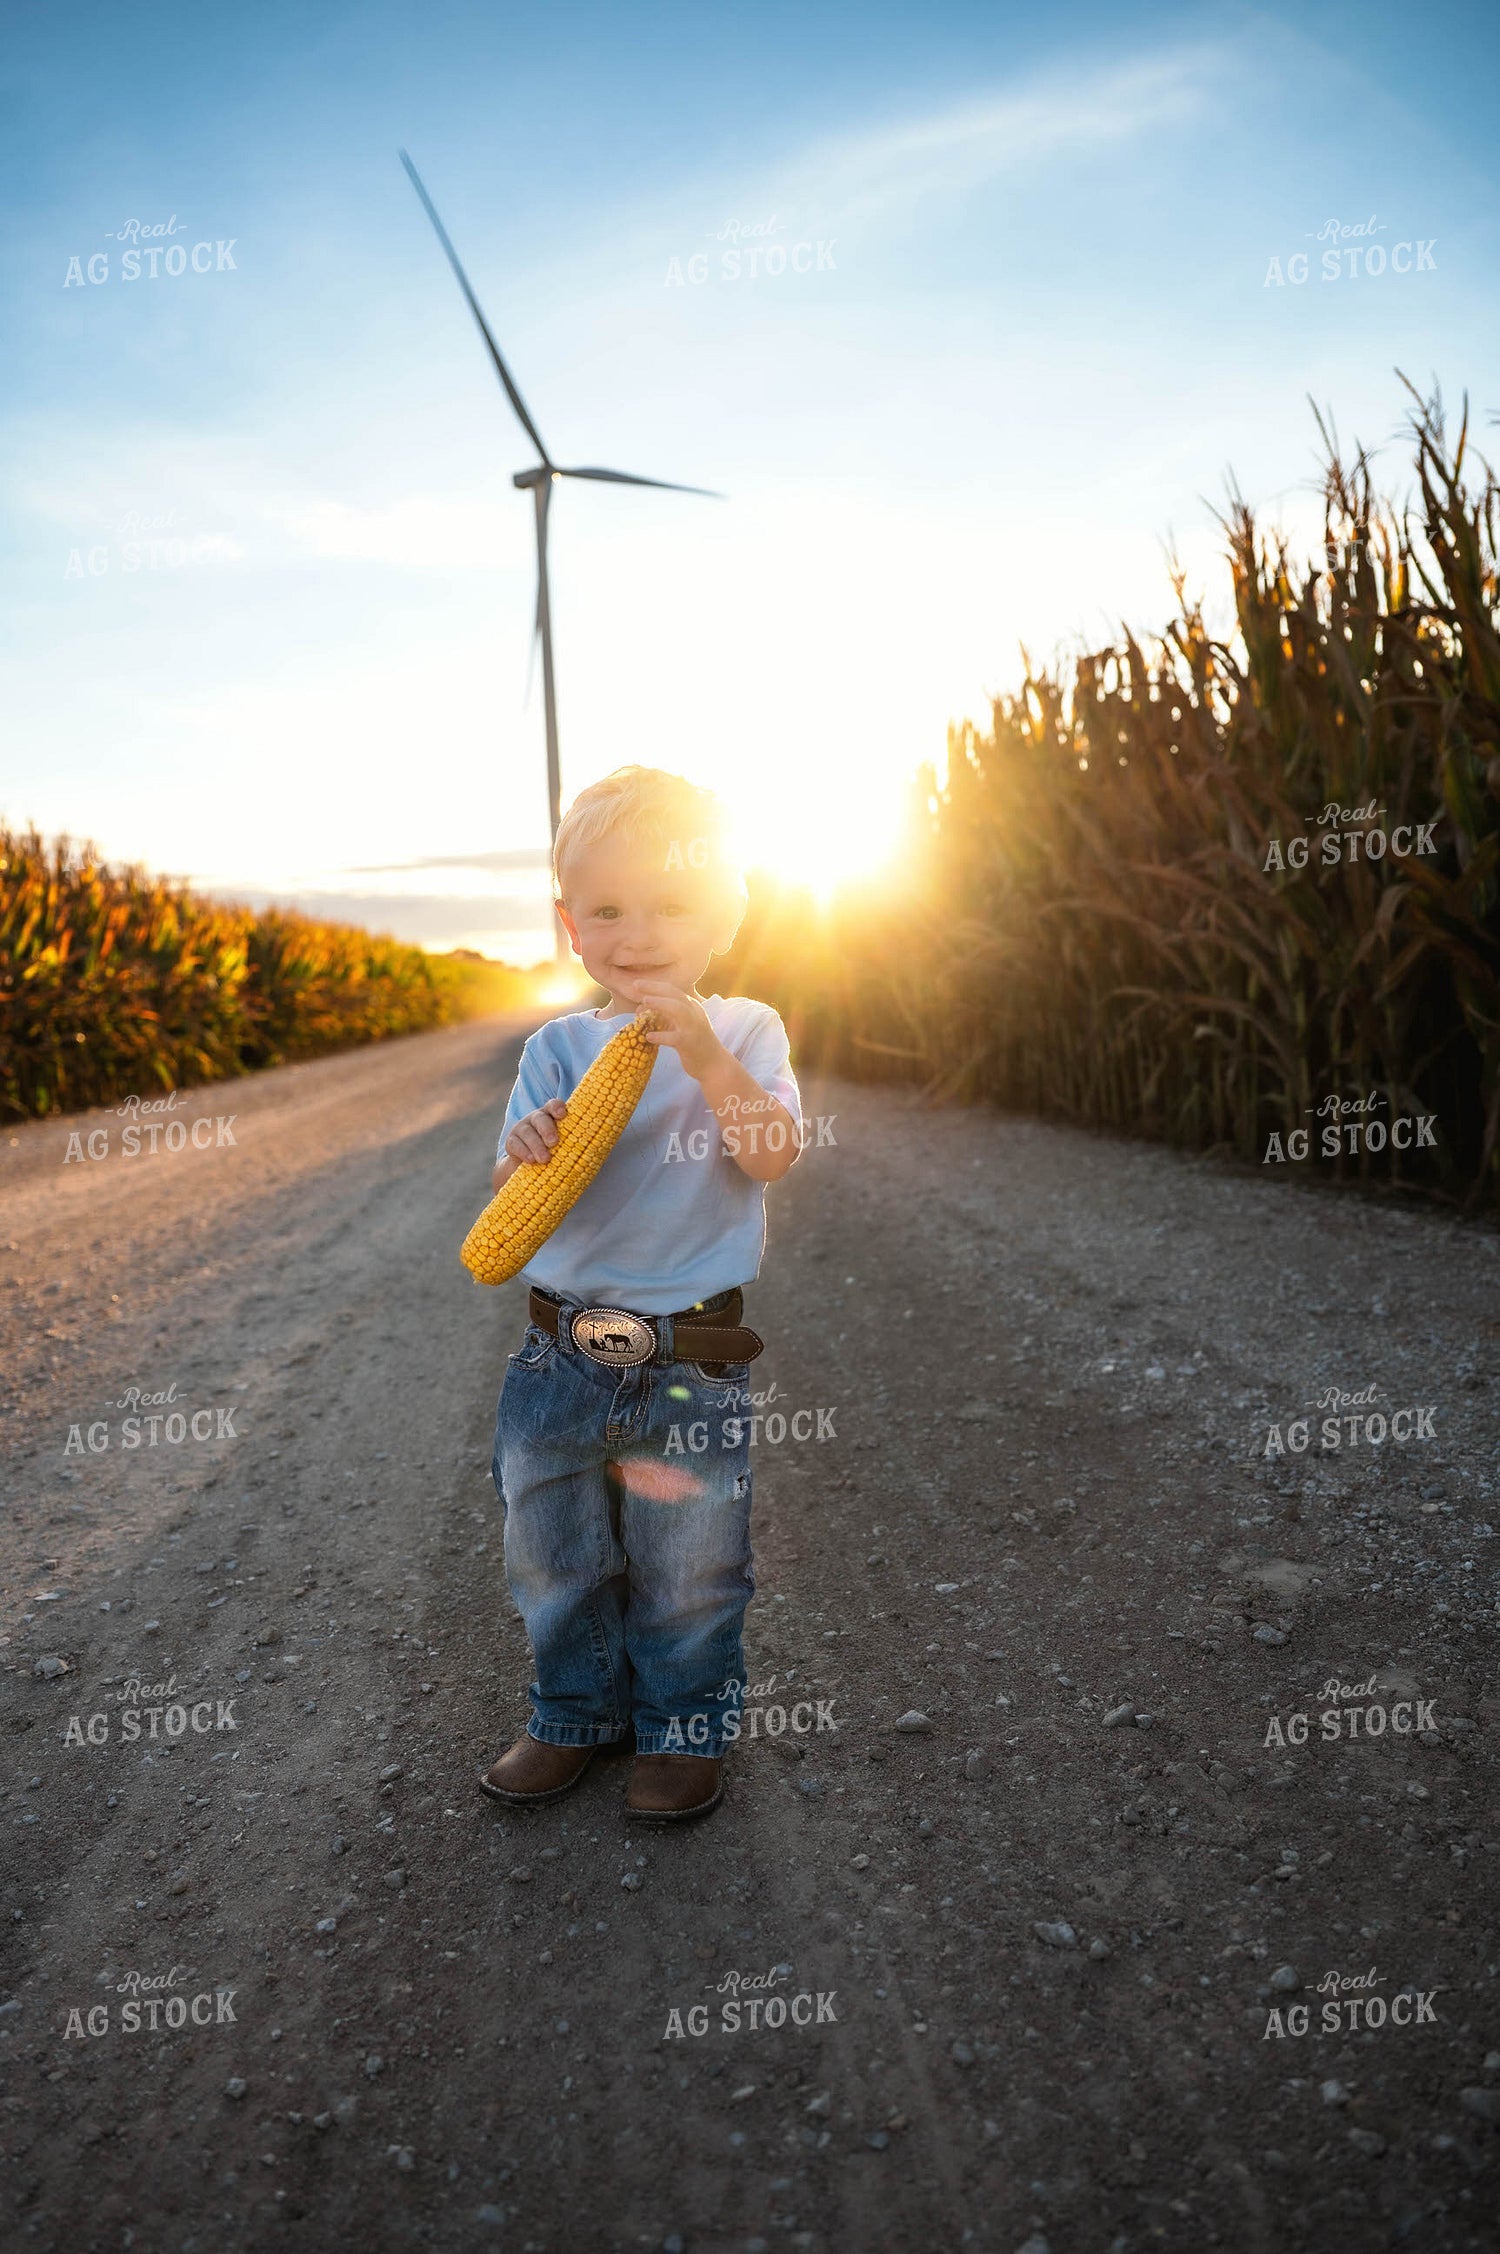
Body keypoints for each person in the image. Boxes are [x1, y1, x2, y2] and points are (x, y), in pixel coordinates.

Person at [478, 766, 801, 1821]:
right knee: (554, 1553)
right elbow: (513, 1194)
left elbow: (771, 1153)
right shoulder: (557, 1047)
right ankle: (572, 1711)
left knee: (689, 1563)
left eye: (670, 905)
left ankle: (683, 1726)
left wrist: (705, 1056)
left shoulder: (746, 1030)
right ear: (570, 925)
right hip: (557, 1352)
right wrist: (525, 1149)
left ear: (725, 913)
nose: (639, 933)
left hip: (688, 1360)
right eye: (608, 909)